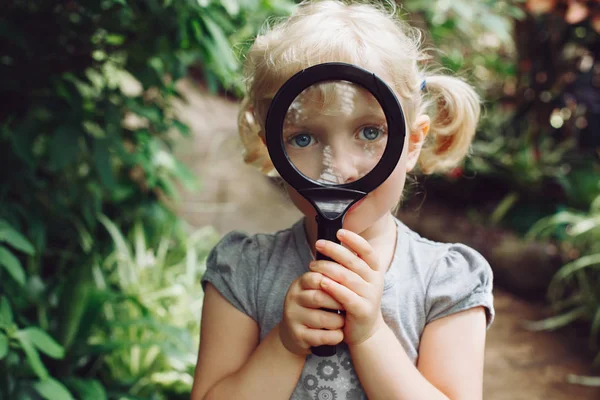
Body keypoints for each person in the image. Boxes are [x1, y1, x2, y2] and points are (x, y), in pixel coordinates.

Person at [191, 1, 494, 399]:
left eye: (369, 132)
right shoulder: (244, 272)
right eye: (304, 138)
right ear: (273, 152)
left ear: (412, 143)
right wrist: (284, 345)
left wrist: (370, 336)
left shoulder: (447, 283)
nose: (340, 168)